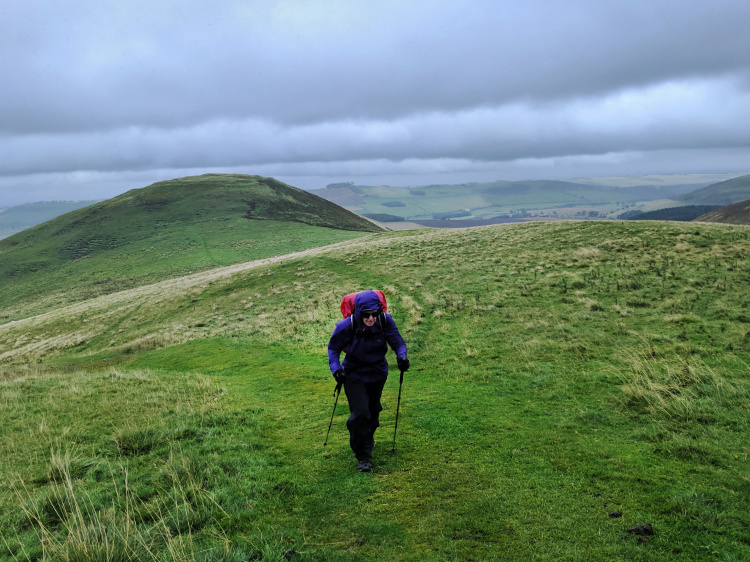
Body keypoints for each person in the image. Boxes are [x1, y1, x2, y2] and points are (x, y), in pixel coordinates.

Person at [328, 290, 409, 472]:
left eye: (374, 314)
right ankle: (363, 456)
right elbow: (333, 349)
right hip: (353, 373)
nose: (371, 318)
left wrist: (402, 357)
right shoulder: (346, 326)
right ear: (358, 312)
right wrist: (336, 370)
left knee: (373, 411)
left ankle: (367, 437)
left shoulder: (385, 320)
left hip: (378, 373)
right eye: (366, 315)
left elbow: (398, 343)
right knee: (360, 413)